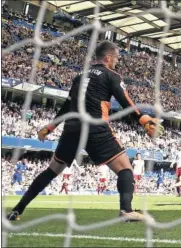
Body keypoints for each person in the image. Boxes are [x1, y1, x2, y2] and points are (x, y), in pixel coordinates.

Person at [7, 41, 164, 222]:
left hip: (71, 129)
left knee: (51, 171)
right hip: (95, 127)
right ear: (108, 57)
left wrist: (50, 127)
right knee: (125, 169)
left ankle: (17, 210)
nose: (117, 62)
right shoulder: (112, 75)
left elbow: (67, 105)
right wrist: (144, 120)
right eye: (116, 58)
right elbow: (126, 101)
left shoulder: (78, 77)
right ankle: (126, 210)